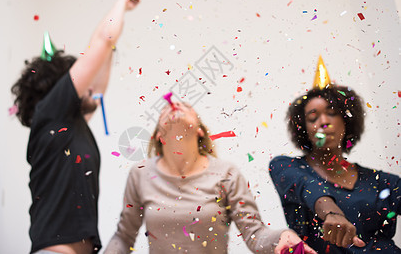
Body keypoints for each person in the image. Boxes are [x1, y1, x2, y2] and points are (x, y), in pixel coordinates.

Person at [11, 0, 139, 254]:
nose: (88, 85)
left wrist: (110, 48)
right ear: (59, 86)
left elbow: (99, 89)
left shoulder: (69, 126)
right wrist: (121, 3)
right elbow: (103, 39)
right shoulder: (51, 113)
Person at [104, 101, 316, 253]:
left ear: (199, 131)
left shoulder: (226, 173)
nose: (175, 107)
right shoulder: (140, 173)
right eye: (166, 110)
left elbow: (255, 233)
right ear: (159, 135)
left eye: (185, 107)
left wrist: (281, 237)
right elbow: (123, 237)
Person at [269, 57, 400, 253]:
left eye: (332, 113)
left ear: (347, 121)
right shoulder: (286, 167)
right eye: (313, 117)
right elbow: (308, 186)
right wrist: (331, 213)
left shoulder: (383, 182)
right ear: (304, 129)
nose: (323, 121)